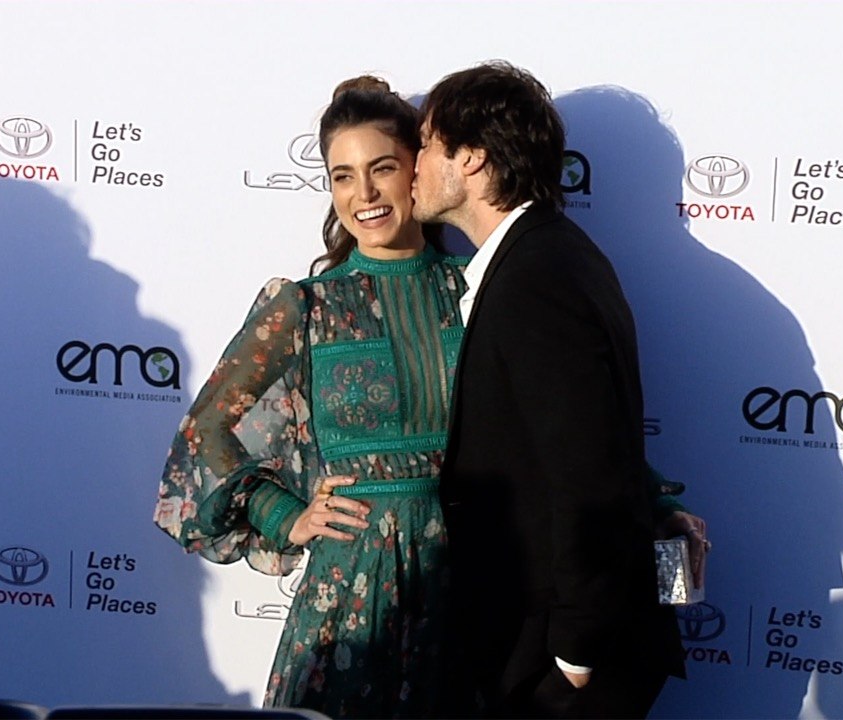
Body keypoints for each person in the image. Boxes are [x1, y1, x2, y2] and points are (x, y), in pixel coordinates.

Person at [155, 74, 703, 719]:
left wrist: (654, 504)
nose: (363, 194)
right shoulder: (307, 306)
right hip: (356, 593)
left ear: (417, 169)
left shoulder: (477, 287)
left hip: (475, 584)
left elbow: (564, 426)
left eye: (382, 168)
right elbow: (205, 433)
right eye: (341, 176)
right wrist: (286, 516)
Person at [412, 61, 691, 718]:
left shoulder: (536, 276)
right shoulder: (546, 255)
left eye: (425, 143)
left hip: (566, 658)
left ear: (472, 158)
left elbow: (589, 473)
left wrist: (575, 653)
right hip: (549, 641)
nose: (413, 164)